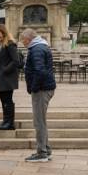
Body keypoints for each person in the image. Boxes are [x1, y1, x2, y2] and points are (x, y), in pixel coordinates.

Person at [20, 28, 56, 162]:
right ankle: (46, 149)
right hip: (45, 87)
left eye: (23, 39)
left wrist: (33, 87)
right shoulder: (40, 47)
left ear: (28, 39)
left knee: (39, 122)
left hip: (41, 89)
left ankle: (42, 152)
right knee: (41, 121)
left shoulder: (36, 49)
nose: (22, 42)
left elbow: (40, 71)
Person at [0, 24, 20, 131]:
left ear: (3, 33)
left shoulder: (10, 44)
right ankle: (6, 121)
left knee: (7, 100)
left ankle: (9, 123)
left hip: (8, 78)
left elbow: (16, 61)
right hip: (2, 78)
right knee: (3, 100)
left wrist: (5, 70)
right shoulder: (0, 44)